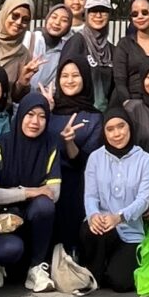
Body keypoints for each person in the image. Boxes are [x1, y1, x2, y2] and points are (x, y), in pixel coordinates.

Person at [0, 94, 65, 291]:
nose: (35, 122)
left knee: (45, 205)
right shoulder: (0, 145)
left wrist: (31, 194)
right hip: (3, 218)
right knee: (9, 250)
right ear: (20, 115)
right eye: (30, 114)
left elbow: (54, 193)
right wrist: (29, 192)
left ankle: (36, 267)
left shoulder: (51, 143)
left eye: (42, 116)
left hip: (34, 217)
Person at [78, 110, 149, 292]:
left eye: (121, 126)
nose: (117, 134)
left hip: (130, 231)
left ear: (130, 128)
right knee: (90, 229)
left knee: (121, 283)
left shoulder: (145, 160)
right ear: (104, 133)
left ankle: (108, 268)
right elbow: (91, 195)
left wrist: (119, 217)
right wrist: (93, 215)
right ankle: (94, 270)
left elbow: (143, 200)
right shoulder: (95, 158)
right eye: (110, 129)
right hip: (102, 228)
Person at [44, 57, 104, 246]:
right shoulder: (48, 111)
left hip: (76, 184)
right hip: (44, 181)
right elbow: (34, 145)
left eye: (75, 75)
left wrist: (70, 143)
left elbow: (88, 162)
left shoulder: (94, 117)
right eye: (64, 76)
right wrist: (45, 111)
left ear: (85, 78)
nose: (69, 80)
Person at [61, 0, 121, 110]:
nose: (98, 15)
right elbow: (66, 80)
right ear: (86, 14)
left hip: (105, 113)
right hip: (80, 111)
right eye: (93, 11)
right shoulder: (77, 42)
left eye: (103, 11)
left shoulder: (112, 50)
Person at [113, 0, 149, 101]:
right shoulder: (124, 45)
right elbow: (120, 81)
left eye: (145, 12)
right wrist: (128, 103)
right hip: (128, 101)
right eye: (135, 14)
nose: (140, 17)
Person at [28, 8, 75, 100]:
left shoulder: (65, 50)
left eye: (64, 20)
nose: (57, 22)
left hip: (41, 101)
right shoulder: (31, 38)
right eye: (54, 17)